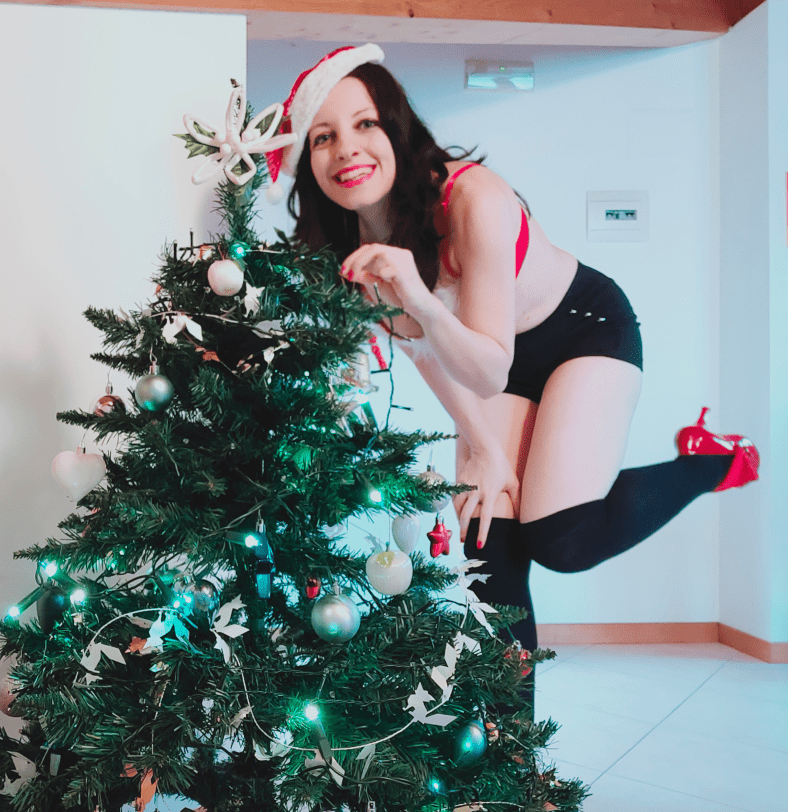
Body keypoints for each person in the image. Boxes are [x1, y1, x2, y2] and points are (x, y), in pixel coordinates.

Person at [266, 44, 760, 660]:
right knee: (485, 538)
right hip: (485, 365)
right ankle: (509, 724)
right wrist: (485, 448)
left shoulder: (473, 200)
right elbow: (428, 358)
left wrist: (418, 298)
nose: (346, 149)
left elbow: (489, 365)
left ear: (396, 127)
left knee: (562, 540)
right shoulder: (352, 245)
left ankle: (714, 461)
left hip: (581, 331)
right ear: (306, 162)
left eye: (365, 123)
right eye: (322, 137)